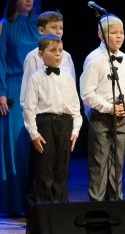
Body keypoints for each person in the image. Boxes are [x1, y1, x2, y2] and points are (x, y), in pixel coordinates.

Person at [79, 13, 125, 202]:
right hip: (101, 116)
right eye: (114, 33)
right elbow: (87, 93)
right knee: (99, 163)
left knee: (117, 164)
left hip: (122, 115)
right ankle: (97, 205)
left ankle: (116, 204)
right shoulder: (94, 59)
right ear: (101, 35)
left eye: (121, 32)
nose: (119, 36)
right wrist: (108, 107)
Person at [0, 0, 41, 216]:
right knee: (16, 145)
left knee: (34, 143)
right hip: (13, 87)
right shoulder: (4, 26)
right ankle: (14, 201)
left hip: (36, 87)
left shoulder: (38, 26)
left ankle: (34, 199)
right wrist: (0, 91)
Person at [22, 35, 82, 204]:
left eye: (60, 51)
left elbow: (75, 107)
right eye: (53, 50)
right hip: (45, 124)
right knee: (44, 170)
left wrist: (75, 130)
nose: (58, 54)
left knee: (62, 170)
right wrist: (34, 134)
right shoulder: (35, 78)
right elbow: (29, 108)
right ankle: (44, 211)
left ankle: (60, 210)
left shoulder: (67, 77)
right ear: (41, 55)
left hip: (65, 124)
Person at [20, 10, 76, 107]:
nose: (58, 31)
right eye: (54, 28)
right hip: (42, 112)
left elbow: (72, 89)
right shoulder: (33, 57)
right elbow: (26, 95)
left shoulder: (67, 56)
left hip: (64, 112)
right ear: (41, 30)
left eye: (61, 28)